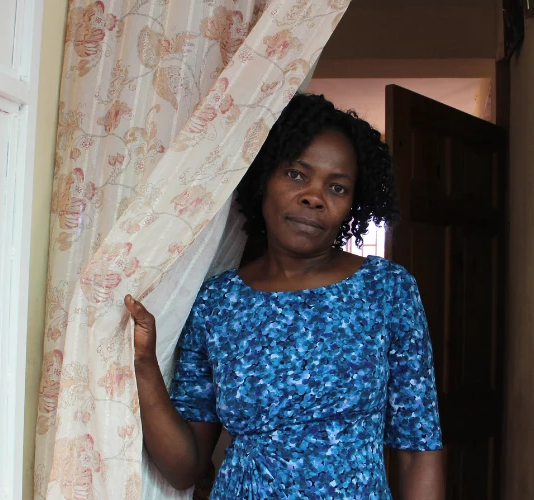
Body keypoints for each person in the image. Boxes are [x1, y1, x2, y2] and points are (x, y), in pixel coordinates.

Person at [126, 93, 444, 498]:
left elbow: (418, 451)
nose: (314, 196)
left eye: (337, 187)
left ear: (352, 205)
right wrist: (144, 365)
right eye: (296, 174)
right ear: (264, 179)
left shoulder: (387, 291)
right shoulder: (218, 304)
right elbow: (185, 468)